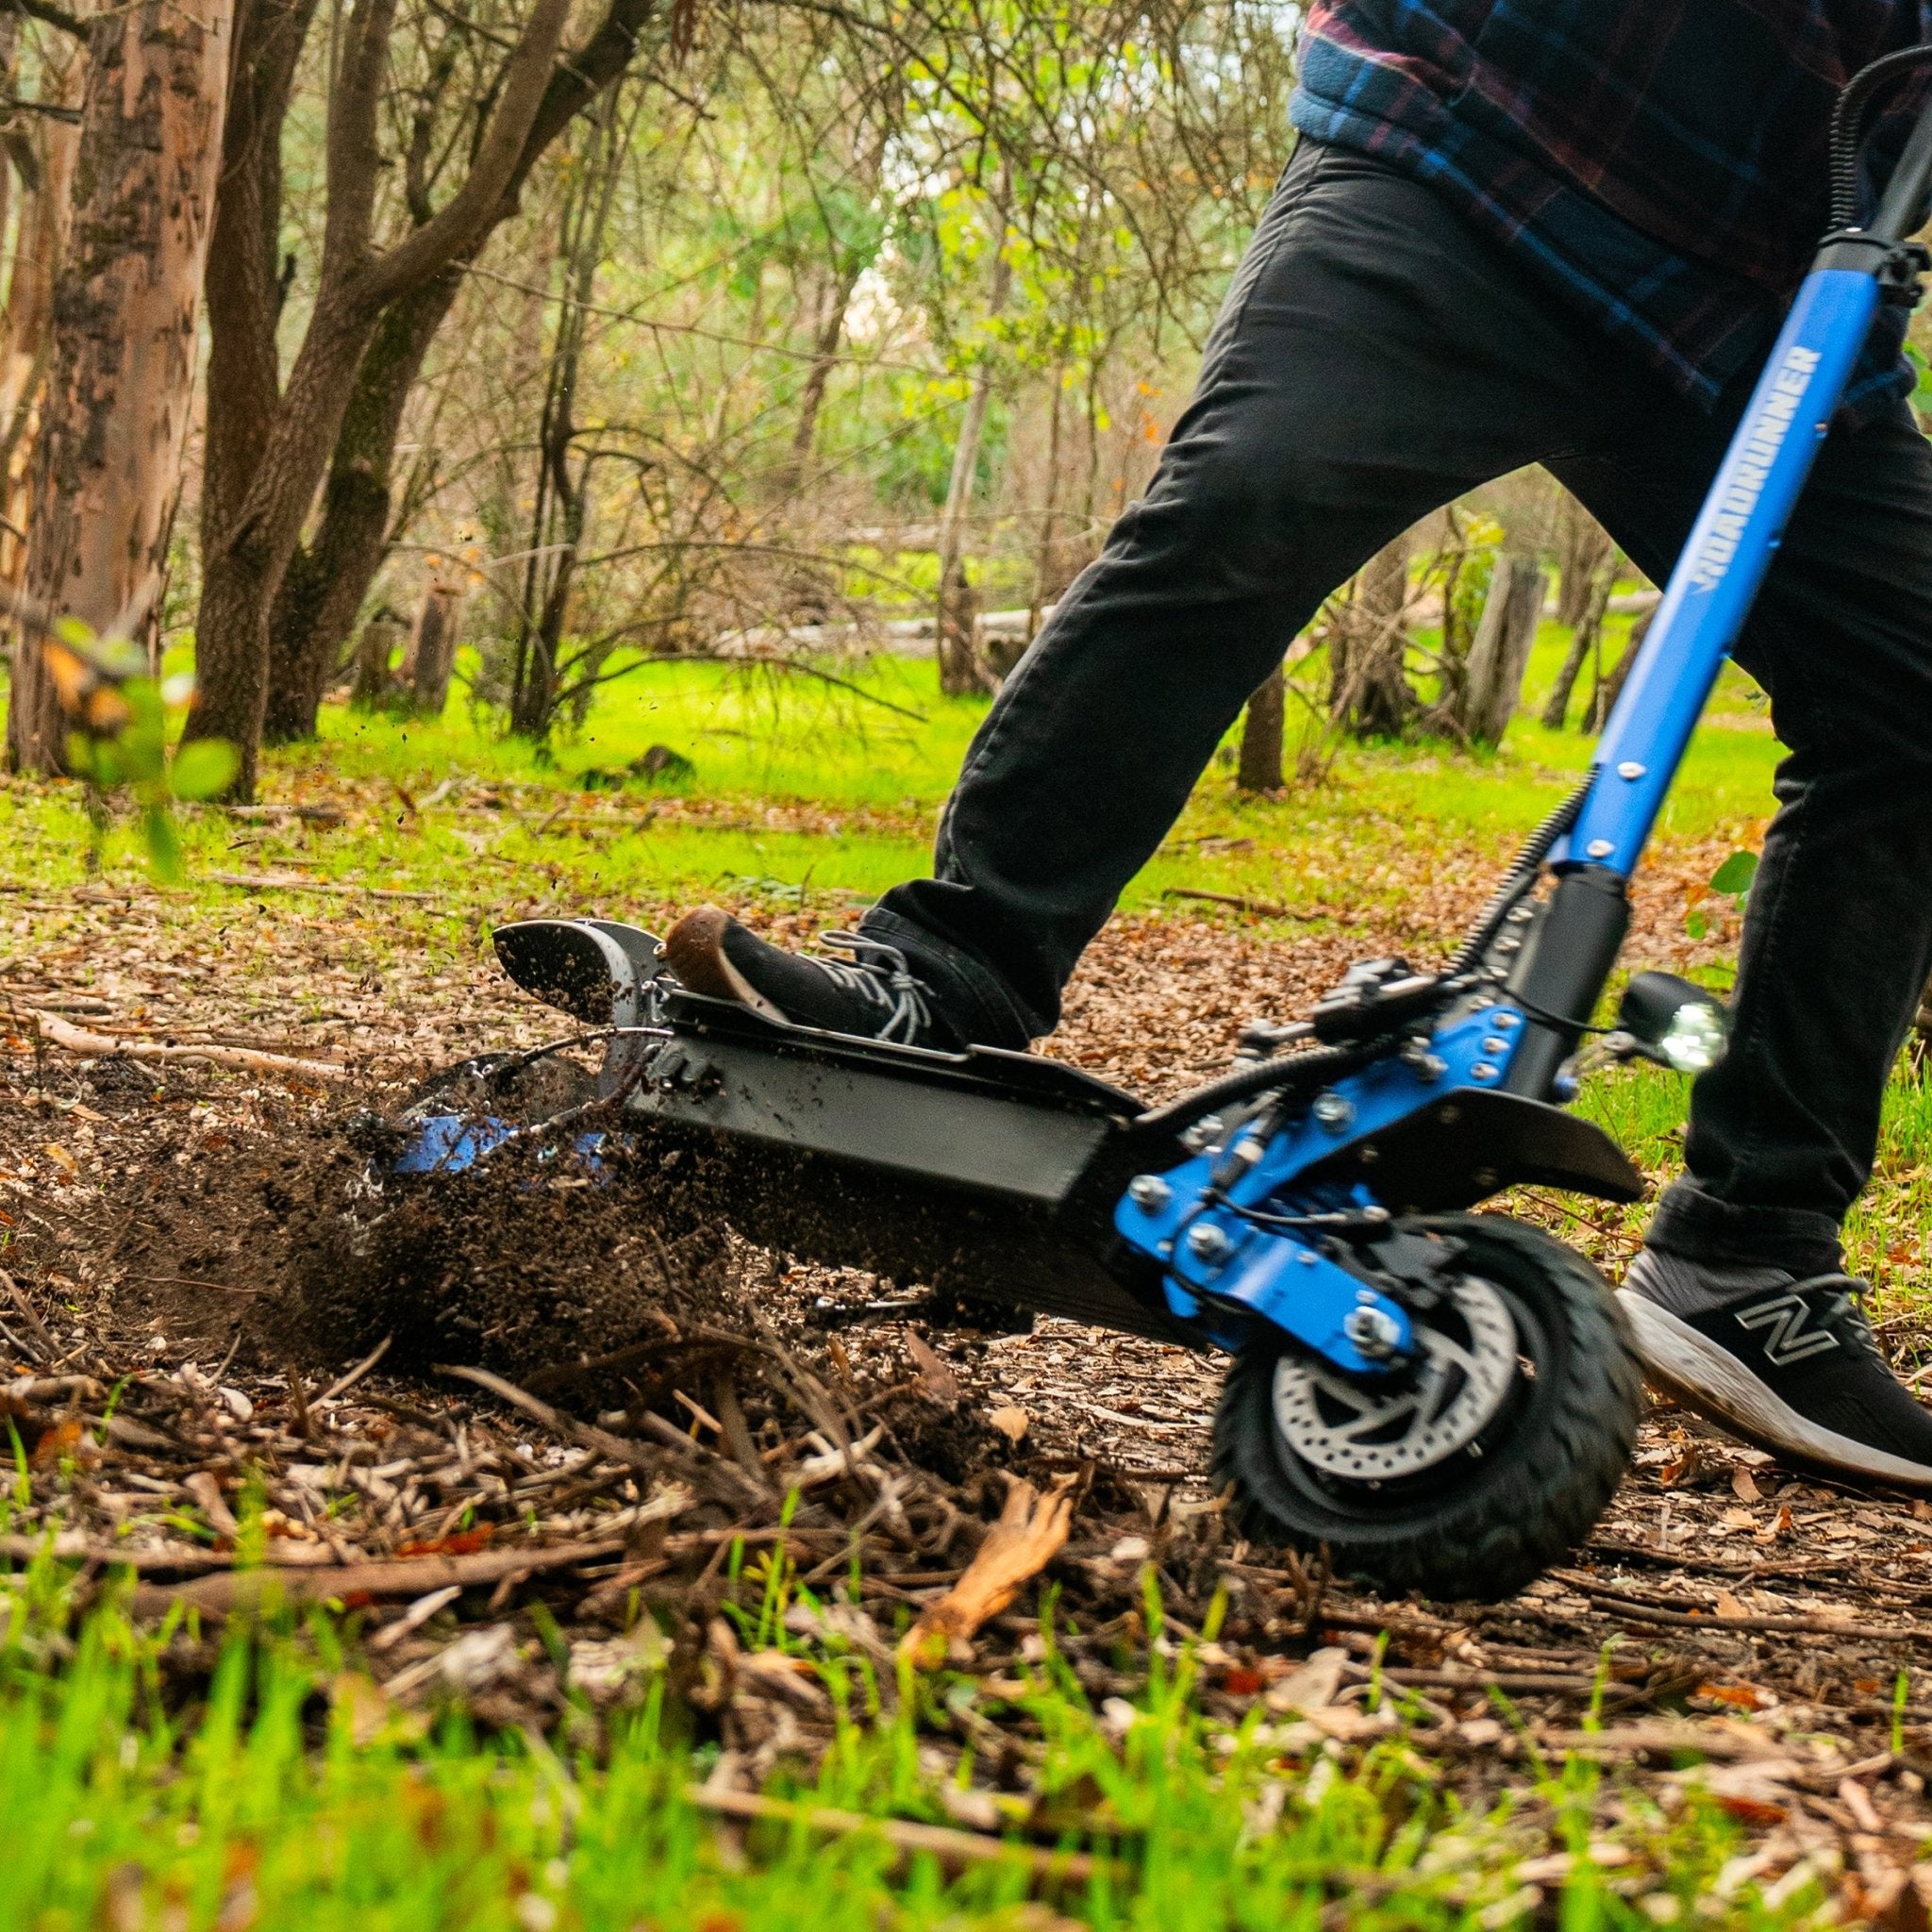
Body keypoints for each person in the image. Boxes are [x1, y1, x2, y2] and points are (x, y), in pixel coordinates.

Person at [665, 3, 1932, 1491]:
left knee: (1914, 704)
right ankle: (940, 985)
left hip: (1773, 301)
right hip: (1470, 146)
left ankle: (1751, 1255)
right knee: (1243, 503)